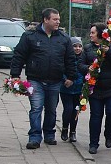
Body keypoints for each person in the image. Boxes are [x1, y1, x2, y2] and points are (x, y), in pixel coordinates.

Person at [10, 8, 76, 149]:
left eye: (58, 19)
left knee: (51, 109)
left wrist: (71, 76)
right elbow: (19, 55)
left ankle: (49, 134)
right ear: (46, 20)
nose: (58, 22)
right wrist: (15, 75)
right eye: (55, 19)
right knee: (36, 108)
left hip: (55, 81)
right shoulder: (30, 36)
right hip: (35, 80)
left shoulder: (64, 39)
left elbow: (70, 59)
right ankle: (34, 137)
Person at [79, 23, 111, 154]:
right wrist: (87, 69)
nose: (90, 35)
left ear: (101, 34)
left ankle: (108, 133)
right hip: (95, 88)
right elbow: (80, 64)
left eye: (93, 33)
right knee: (96, 116)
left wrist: (109, 51)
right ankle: (93, 143)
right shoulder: (88, 48)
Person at [59, 37, 84, 143]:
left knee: (75, 110)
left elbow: (85, 72)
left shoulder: (83, 59)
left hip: (78, 89)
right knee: (68, 109)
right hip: (66, 89)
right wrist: (65, 80)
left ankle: (72, 132)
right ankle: (65, 128)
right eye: (75, 46)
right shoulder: (66, 58)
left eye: (79, 46)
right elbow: (61, 69)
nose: (77, 49)